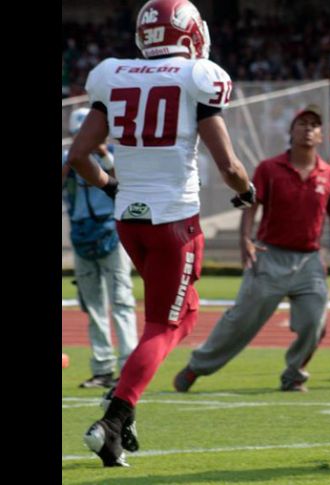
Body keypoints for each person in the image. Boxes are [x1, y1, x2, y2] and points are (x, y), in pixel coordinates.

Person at [67, 0, 256, 467]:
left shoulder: (113, 74)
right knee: (166, 324)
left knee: (183, 314)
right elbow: (229, 166)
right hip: (174, 221)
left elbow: (78, 155)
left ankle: (119, 417)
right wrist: (249, 190)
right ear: (191, 33)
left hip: (130, 220)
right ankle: (116, 416)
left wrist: (111, 185)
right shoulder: (197, 77)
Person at [173, 104, 330, 393]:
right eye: (302, 123)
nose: (308, 129)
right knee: (240, 321)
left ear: (322, 135)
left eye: (314, 125)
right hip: (269, 255)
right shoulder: (269, 168)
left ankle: (294, 374)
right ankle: (197, 367)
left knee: (315, 322)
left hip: (310, 261)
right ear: (291, 131)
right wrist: (245, 239)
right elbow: (250, 205)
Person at [62, 107, 138, 389]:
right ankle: (102, 368)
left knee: (121, 300)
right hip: (82, 236)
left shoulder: (115, 155)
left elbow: (123, 179)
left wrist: (102, 151)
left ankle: (129, 367)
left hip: (112, 233)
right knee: (93, 306)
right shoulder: (68, 159)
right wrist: (73, 158)